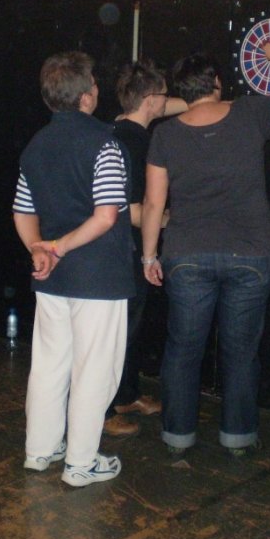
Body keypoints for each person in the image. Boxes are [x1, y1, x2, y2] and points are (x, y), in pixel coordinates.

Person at [140, 41, 270, 456]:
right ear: (216, 81)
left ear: (181, 90)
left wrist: (149, 256)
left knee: (183, 350)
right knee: (242, 351)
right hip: (250, 254)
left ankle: (178, 436)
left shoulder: (165, 135)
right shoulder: (249, 113)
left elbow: (154, 204)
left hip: (187, 255)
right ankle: (238, 437)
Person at [12, 51, 135, 487]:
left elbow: (22, 210)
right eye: (95, 85)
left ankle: (40, 449)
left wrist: (39, 250)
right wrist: (58, 248)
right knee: (94, 369)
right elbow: (106, 216)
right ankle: (81, 463)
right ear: (87, 96)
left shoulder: (35, 146)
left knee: (49, 365)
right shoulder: (105, 143)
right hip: (98, 278)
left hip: (52, 280)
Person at [103, 60, 187, 437]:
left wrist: (208, 101)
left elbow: (167, 105)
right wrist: (173, 219)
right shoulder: (135, 143)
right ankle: (104, 409)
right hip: (125, 250)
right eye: (164, 97)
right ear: (151, 100)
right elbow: (133, 210)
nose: (168, 103)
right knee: (117, 332)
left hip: (120, 249)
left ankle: (126, 395)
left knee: (130, 330)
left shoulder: (118, 127)